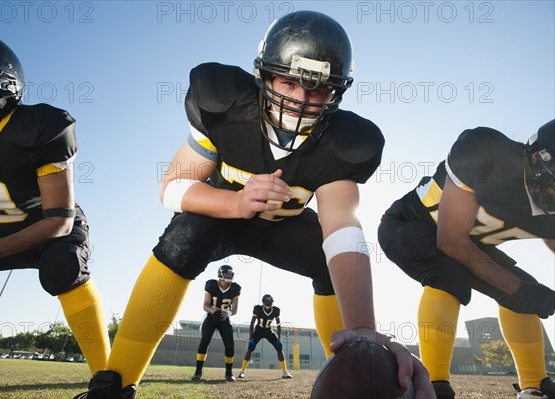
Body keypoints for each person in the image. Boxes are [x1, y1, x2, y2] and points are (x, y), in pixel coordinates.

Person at [74, 10, 434, 399]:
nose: (301, 100)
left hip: (286, 227)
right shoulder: (222, 101)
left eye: (317, 89)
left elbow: (342, 227)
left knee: (331, 263)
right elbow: (173, 187)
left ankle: (349, 362)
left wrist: (365, 328)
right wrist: (236, 202)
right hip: (221, 216)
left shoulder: (347, 142)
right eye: (289, 82)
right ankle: (115, 382)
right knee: (185, 234)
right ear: (264, 75)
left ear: (335, 91)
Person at [0, 25, 111, 377]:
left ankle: (108, 376)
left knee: (63, 266)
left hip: (49, 228)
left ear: (2, 86)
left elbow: (59, 220)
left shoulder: (40, 127)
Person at [378, 120, 555, 399]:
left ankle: (535, 385)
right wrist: (519, 290)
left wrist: (523, 291)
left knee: (526, 289)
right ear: (538, 161)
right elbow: (450, 241)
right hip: (410, 224)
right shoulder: (488, 155)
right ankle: (433, 383)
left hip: (467, 241)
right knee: (451, 276)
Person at [190, 264, 241, 382]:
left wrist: (228, 313)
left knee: (229, 345)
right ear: (221, 274)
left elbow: (235, 309)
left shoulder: (235, 288)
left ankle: (229, 373)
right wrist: (211, 310)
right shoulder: (212, 285)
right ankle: (198, 372)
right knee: (204, 342)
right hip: (211, 317)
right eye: (227, 274)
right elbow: (205, 305)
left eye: (230, 274)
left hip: (224, 319)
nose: (229, 276)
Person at [237, 294, 292, 379]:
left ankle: (285, 372)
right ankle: (242, 371)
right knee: (250, 347)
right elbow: (251, 324)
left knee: (279, 347)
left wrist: (279, 339)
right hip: (258, 330)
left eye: (269, 302)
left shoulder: (275, 310)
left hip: (268, 331)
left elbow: (278, 325)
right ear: (263, 302)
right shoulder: (258, 309)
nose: (267, 304)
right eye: (266, 302)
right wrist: (251, 338)